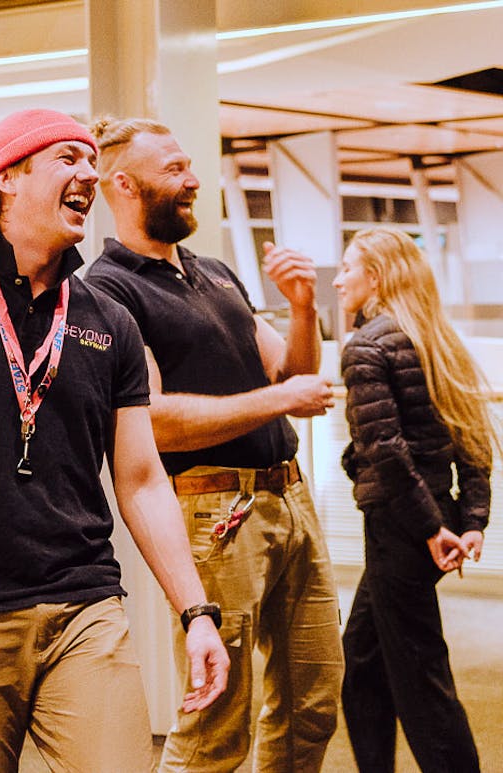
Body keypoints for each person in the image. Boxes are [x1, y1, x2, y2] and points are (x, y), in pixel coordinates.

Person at [0, 108, 229, 773]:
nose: (89, 172)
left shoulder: (106, 321)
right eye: (68, 157)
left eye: (92, 160)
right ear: (7, 178)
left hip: (80, 604)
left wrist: (196, 610)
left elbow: (142, 480)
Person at [85, 117, 344, 773]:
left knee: (313, 701)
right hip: (214, 514)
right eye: (173, 169)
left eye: (189, 165)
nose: (193, 179)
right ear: (123, 183)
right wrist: (281, 400)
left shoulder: (214, 270)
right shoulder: (108, 289)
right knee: (218, 724)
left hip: (289, 499)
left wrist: (304, 308)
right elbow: (153, 420)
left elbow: (288, 369)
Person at [332, 226, 499, 773]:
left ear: (375, 277)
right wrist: (470, 519)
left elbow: (385, 449)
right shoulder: (437, 340)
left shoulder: (367, 346)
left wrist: (430, 531)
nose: (338, 280)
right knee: (362, 661)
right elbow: (474, 442)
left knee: (420, 674)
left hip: (402, 525)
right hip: (431, 519)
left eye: (348, 268)